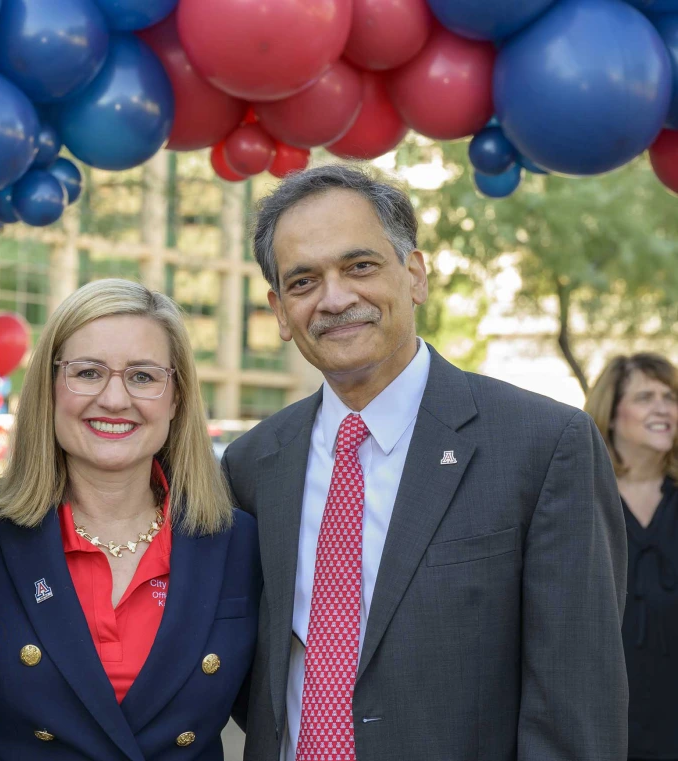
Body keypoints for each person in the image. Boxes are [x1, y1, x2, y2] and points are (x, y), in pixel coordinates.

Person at [221, 164, 628, 761]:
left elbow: (577, 705)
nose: (335, 298)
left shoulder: (544, 446)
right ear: (280, 310)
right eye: (304, 282)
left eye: (360, 266)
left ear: (414, 275)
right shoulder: (254, 463)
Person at [0, 278, 261, 760]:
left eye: (143, 377)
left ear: (176, 399)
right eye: (87, 373)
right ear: (50, 388)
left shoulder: (239, 544)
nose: (113, 399)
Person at [585, 353, 678, 761]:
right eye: (645, 397)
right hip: (609, 719)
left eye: (671, 397)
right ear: (611, 411)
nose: (663, 407)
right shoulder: (581, 497)